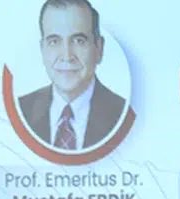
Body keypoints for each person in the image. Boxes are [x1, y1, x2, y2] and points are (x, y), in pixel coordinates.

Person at [17, 0, 127, 150]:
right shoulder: (22, 110)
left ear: (99, 49)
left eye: (78, 41)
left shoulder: (122, 113)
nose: (67, 56)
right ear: (42, 50)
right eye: (54, 41)